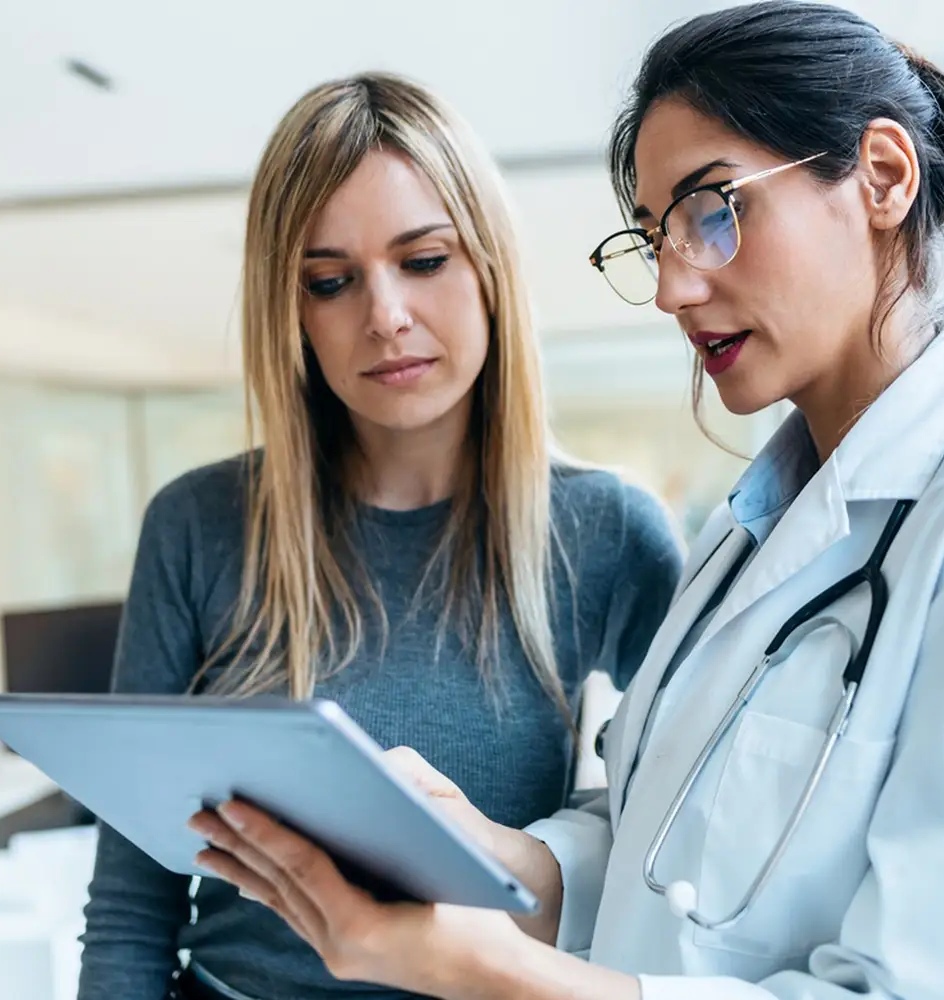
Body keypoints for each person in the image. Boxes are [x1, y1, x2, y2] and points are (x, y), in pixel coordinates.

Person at [187, 4, 944, 1000]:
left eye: (714, 210)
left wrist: (479, 966)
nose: (670, 286)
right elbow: (652, 847)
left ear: (881, 176)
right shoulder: (748, 535)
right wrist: (490, 852)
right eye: (654, 235)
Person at [79, 72, 686, 1000]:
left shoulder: (607, 531)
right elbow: (132, 905)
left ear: (489, 268)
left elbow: (679, 838)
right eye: (331, 281)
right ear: (294, 313)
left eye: (425, 260)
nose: (385, 315)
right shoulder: (199, 526)